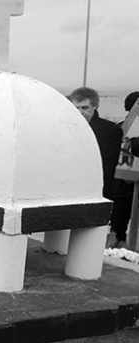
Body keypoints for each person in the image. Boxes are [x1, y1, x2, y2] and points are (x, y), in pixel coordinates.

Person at [69, 87, 128, 247]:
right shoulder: (67, 127)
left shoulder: (110, 131)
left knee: (90, 240)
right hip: (70, 188)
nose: (80, 112)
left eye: (85, 108)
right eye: (76, 108)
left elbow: (107, 166)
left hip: (97, 190)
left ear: (94, 107)